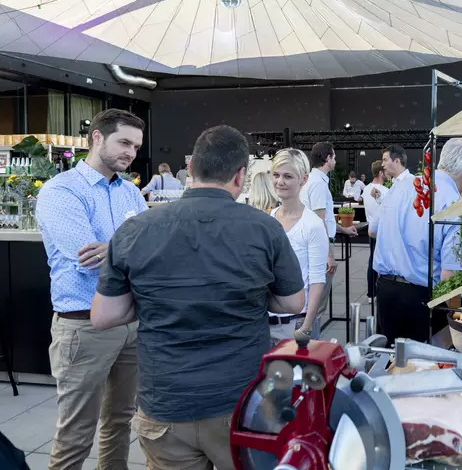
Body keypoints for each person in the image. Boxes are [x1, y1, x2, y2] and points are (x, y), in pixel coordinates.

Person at [90, 125, 305, 470]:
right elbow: (293, 303)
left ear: (190, 170)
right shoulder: (264, 228)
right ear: (240, 176)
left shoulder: (136, 229)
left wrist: (154, 301)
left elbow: (102, 316)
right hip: (239, 404)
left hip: (165, 405)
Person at [35, 109, 148, 469]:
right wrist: (128, 249)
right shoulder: (61, 191)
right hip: (83, 326)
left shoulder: (130, 192)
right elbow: (87, 256)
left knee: (120, 421)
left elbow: (153, 247)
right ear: (96, 137)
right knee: (76, 434)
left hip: (130, 323)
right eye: (124, 142)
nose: (131, 152)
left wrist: (114, 247)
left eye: (136, 146)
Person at [372, 142, 462, 344]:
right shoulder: (454, 203)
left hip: (386, 291)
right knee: (419, 368)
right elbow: (448, 277)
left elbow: (374, 231)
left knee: (388, 363)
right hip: (420, 300)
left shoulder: (401, 187)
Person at [268, 149, 328, 343]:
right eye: (276, 175)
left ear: (303, 179)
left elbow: (317, 279)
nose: (280, 181)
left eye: (288, 176)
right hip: (265, 322)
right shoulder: (269, 219)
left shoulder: (312, 224)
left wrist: (307, 325)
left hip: (296, 323)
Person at [300, 142, 358, 319]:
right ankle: (309, 340)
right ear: (327, 158)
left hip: (315, 245)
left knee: (314, 301)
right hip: (319, 248)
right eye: (334, 156)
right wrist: (329, 255)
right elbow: (319, 221)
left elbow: (324, 219)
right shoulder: (318, 184)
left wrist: (344, 230)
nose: (335, 161)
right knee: (316, 304)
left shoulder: (314, 180)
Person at [363, 160, 389, 303]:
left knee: (372, 260)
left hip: (371, 229)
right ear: (380, 173)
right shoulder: (385, 191)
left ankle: (371, 293)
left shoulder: (366, 189)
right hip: (383, 231)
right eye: (385, 171)